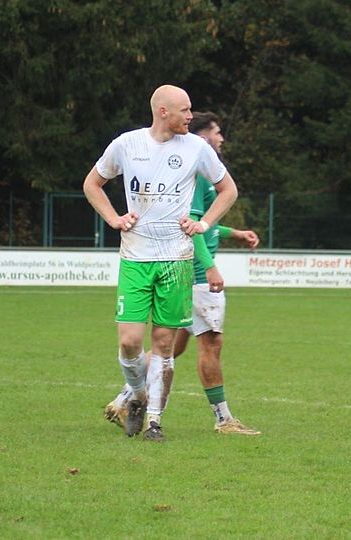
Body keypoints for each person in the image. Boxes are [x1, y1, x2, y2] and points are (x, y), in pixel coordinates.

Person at [83, 85, 237, 443]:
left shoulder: (197, 149)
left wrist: (204, 224)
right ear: (163, 112)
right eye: (185, 110)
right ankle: (136, 394)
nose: (190, 116)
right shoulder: (127, 144)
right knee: (130, 342)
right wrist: (113, 218)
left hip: (176, 260)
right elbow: (93, 184)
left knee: (165, 344)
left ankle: (154, 422)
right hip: (136, 257)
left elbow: (228, 189)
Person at [103, 112, 261, 435]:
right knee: (209, 343)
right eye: (215, 133)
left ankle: (125, 400)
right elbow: (195, 226)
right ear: (202, 137)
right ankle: (223, 419)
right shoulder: (197, 167)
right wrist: (210, 266)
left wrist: (234, 233)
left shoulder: (196, 162)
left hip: (181, 266)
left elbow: (204, 223)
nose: (220, 139)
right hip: (191, 273)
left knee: (172, 345)